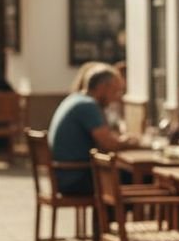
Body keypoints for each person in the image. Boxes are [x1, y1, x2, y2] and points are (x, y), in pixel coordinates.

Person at [48, 64, 136, 195]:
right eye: (115, 91)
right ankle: (113, 215)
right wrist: (131, 143)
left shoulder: (74, 99)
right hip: (75, 178)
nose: (116, 97)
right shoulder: (88, 106)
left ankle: (105, 215)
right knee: (138, 178)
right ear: (102, 88)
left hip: (64, 175)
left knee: (120, 175)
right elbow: (108, 144)